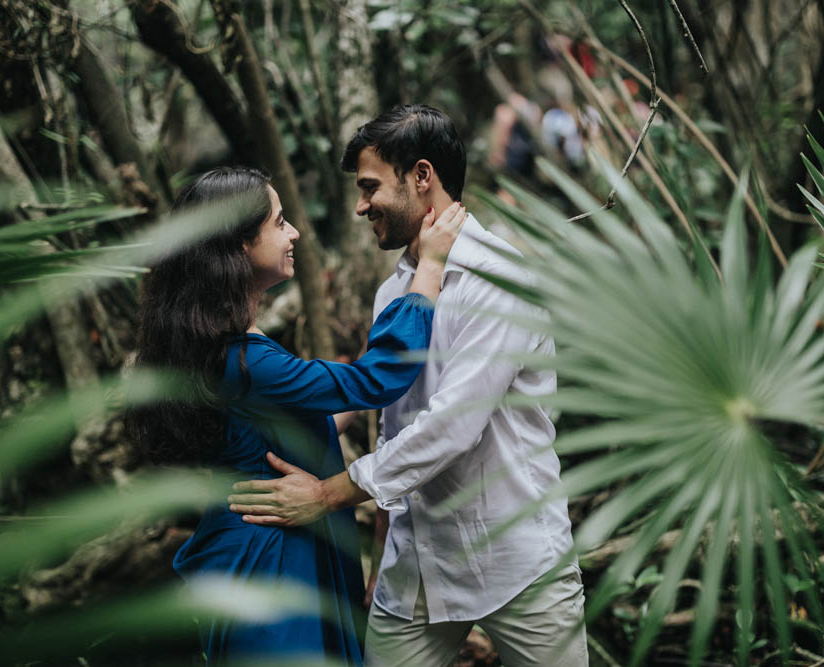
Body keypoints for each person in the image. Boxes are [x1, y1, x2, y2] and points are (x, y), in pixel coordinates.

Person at [227, 106, 588, 666]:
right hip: (416, 567)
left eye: (370, 187)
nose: (360, 204)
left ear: (422, 177)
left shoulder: (501, 277)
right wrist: (382, 548)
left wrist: (327, 494)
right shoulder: (396, 292)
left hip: (516, 561)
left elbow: (453, 425)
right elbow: (392, 419)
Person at [128, 166, 466, 665]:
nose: (295, 233)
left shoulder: (220, 346)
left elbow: (284, 433)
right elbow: (379, 380)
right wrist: (431, 268)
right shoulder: (247, 362)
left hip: (271, 541)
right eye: (280, 222)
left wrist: (336, 396)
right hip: (272, 561)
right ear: (241, 243)